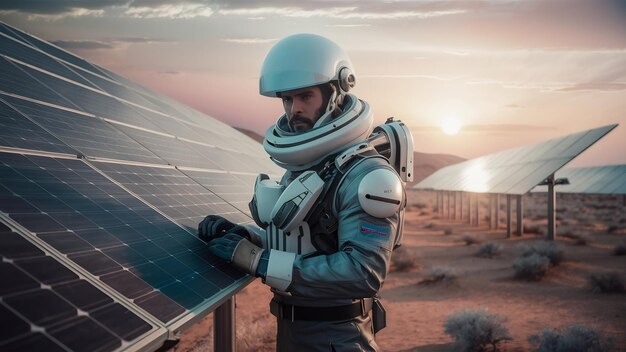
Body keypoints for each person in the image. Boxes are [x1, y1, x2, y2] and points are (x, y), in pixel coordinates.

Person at [198, 33, 413, 351]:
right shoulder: (310, 165)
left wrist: (257, 260)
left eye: (305, 97)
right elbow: (303, 242)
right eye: (287, 99)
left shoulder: (368, 176)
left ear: (335, 94)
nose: (293, 109)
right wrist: (246, 237)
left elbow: (362, 273)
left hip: (337, 337)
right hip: (294, 332)